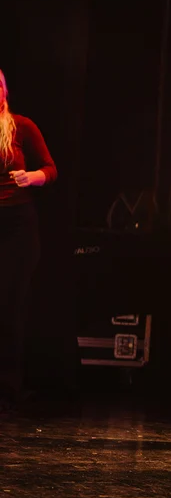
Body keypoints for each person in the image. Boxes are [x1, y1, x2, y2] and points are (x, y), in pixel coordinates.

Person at [0, 68, 58, 407]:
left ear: (5, 91)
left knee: (10, 305)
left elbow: (50, 169)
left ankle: (7, 388)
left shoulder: (21, 126)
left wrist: (32, 177)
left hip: (16, 226)